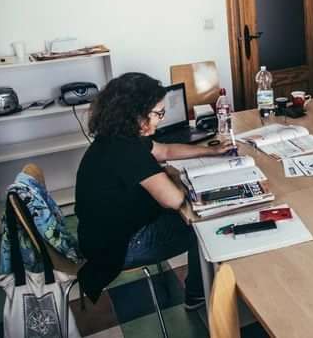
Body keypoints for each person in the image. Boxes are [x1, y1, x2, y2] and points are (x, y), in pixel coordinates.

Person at [75, 72, 233, 309]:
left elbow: (165, 151)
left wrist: (212, 151)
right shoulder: (127, 151)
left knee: (195, 217)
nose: (160, 120)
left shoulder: (117, 137)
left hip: (100, 236)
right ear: (136, 115)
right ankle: (198, 293)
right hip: (120, 248)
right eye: (158, 113)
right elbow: (174, 199)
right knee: (207, 227)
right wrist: (174, 175)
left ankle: (201, 287)